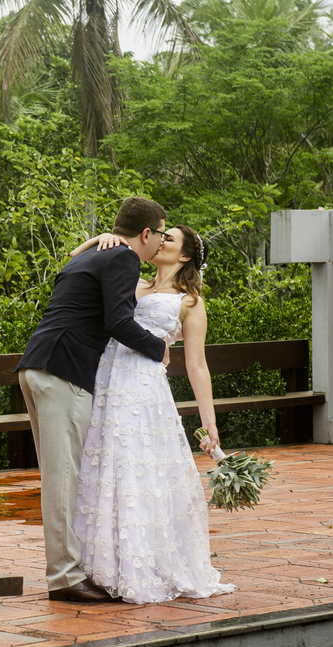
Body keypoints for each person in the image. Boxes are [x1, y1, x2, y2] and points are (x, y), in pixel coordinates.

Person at [67, 224, 234, 604]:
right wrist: (100, 241)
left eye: (169, 239)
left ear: (186, 255)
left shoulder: (189, 302)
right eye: (160, 236)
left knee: (136, 468)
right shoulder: (131, 279)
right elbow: (75, 262)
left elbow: (197, 365)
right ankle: (97, 566)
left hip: (143, 390)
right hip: (105, 380)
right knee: (100, 467)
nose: (161, 242)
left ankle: (140, 565)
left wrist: (210, 423)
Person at [15, 197, 171, 603]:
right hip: (62, 370)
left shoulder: (93, 255)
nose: (161, 245)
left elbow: (74, 268)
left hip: (37, 365)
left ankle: (67, 570)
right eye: (160, 234)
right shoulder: (123, 259)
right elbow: (117, 321)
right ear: (146, 233)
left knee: (59, 474)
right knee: (63, 478)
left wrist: (97, 238)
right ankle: (65, 577)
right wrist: (158, 347)